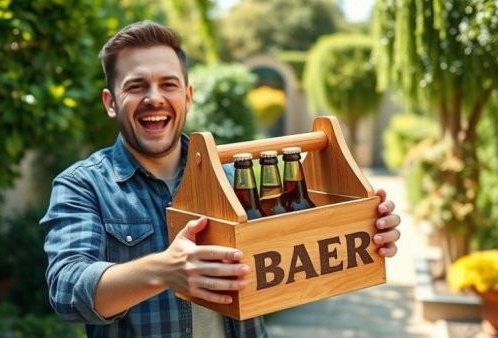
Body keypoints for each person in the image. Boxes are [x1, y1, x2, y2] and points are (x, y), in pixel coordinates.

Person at [40, 20, 402, 338]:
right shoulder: (82, 185)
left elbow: (295, 249)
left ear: (188, 96)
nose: (154, 98)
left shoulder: (231, 178)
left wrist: (362, 232)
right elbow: (67, 289)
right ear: (110, 102)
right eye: (136, 86)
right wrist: (165, 271)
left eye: (168, 84)